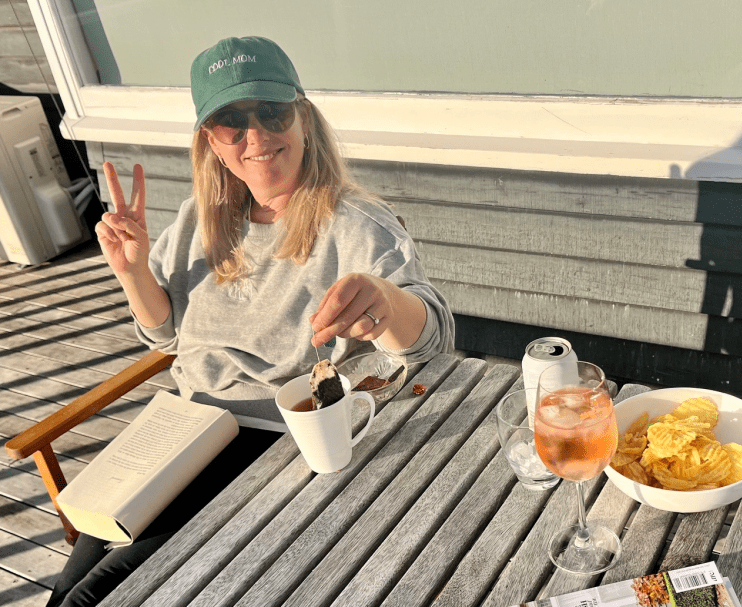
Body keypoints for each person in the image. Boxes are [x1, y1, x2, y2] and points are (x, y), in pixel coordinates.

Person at [47, 36, 454, 607]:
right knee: (68, 586)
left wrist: (385, 301)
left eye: (271, 112)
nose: (256, 136)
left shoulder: (359, 223)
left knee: (99, 594)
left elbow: (433, 340)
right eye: (231, 123)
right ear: (210, 142)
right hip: (180, 429)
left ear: (304, 118)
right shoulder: (199, 219)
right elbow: (166, 337)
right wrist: (134, 273)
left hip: (274, 444)